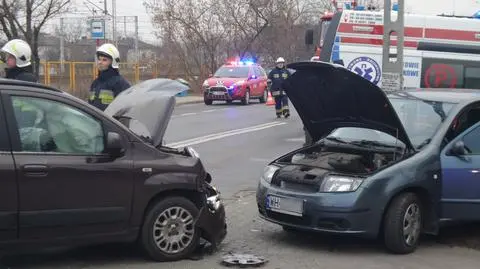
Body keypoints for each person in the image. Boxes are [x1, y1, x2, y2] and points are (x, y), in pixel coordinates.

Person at [88, 43, 131, 111]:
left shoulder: (121, 84)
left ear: (113, 62)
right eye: (99, 59)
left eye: (104, 60)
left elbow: (125, 109)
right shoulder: (95, 83)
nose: (100, 62)